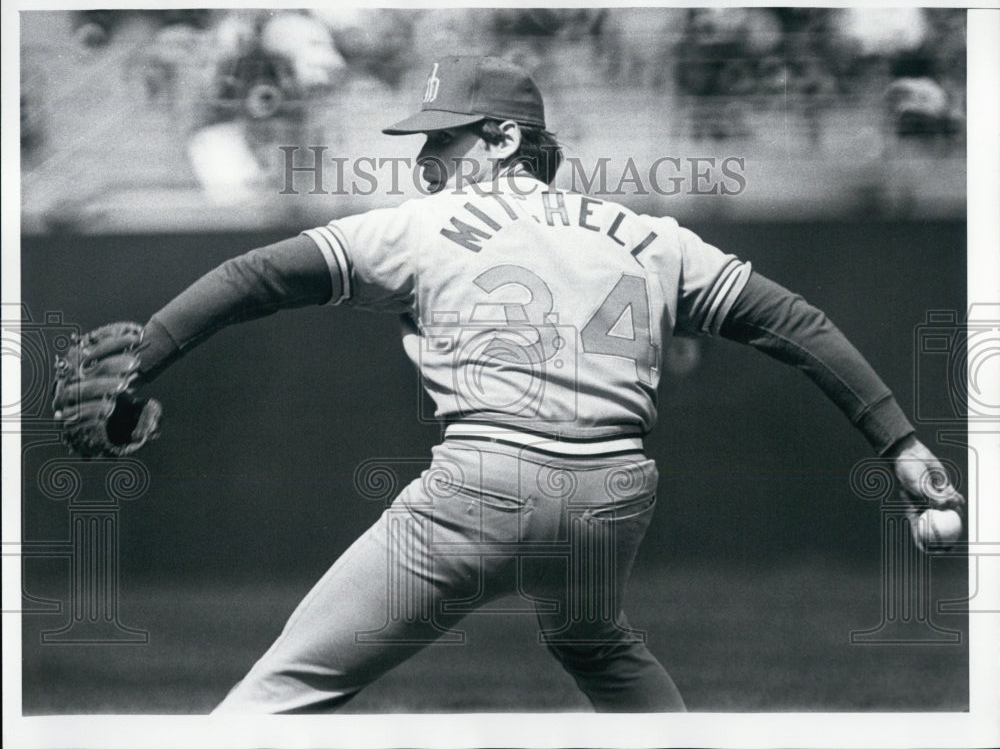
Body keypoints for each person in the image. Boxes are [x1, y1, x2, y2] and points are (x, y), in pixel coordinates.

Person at [105, 56, 965, 712]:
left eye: (445, 138)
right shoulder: (651, 233)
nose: (427, 158)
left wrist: (140, 364)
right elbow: (795, 324)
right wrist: (900, 441)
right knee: (595, 639)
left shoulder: (425, 223)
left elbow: (256, 274)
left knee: (279, 695)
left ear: (507, 139)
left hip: (482, 489)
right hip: (614, 497)